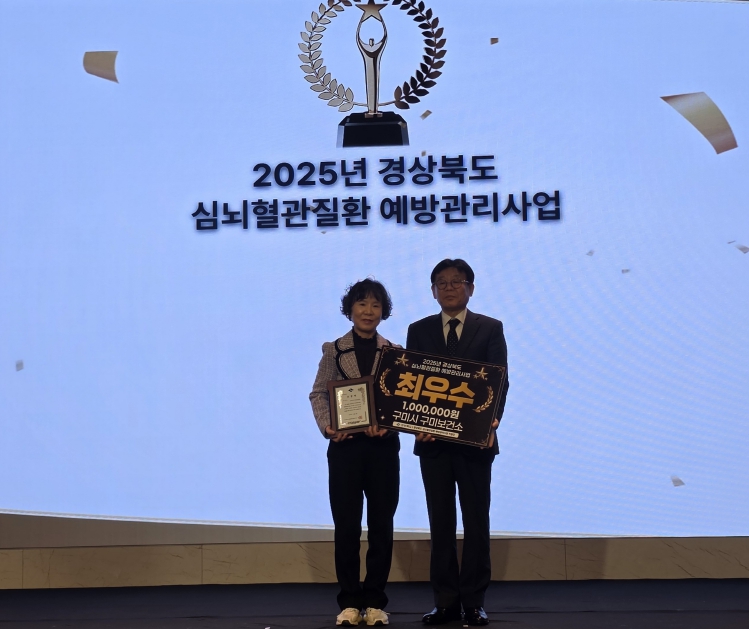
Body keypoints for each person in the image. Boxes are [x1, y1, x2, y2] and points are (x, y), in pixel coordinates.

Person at [406, 259, 509, 627]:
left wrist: (491, 422)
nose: (449, 288)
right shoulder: (418, 330)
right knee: (441, 523)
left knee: (476, 522)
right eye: (442, 283)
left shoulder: (490, 328)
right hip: (433, 443)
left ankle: (474, 602)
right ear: (433, 291)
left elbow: (500, 381)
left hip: (475, 443)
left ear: (471, 288)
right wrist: (415, 422)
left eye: (456, 281)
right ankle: (445, 602)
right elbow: (411, 382)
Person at [310, 279, 400, 627]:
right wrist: (328, 426)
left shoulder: (394, 352)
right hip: (345, 449)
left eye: (376, 305)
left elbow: (400, 401)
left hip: (382, 450)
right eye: (362, 304)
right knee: (346, 527)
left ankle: (375, 601)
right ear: (350, 309)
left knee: (381, 526)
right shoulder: (333, 350)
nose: (368, 311)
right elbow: (319, 393)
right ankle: (349, 602)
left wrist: (388, 425)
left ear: (383, 311)